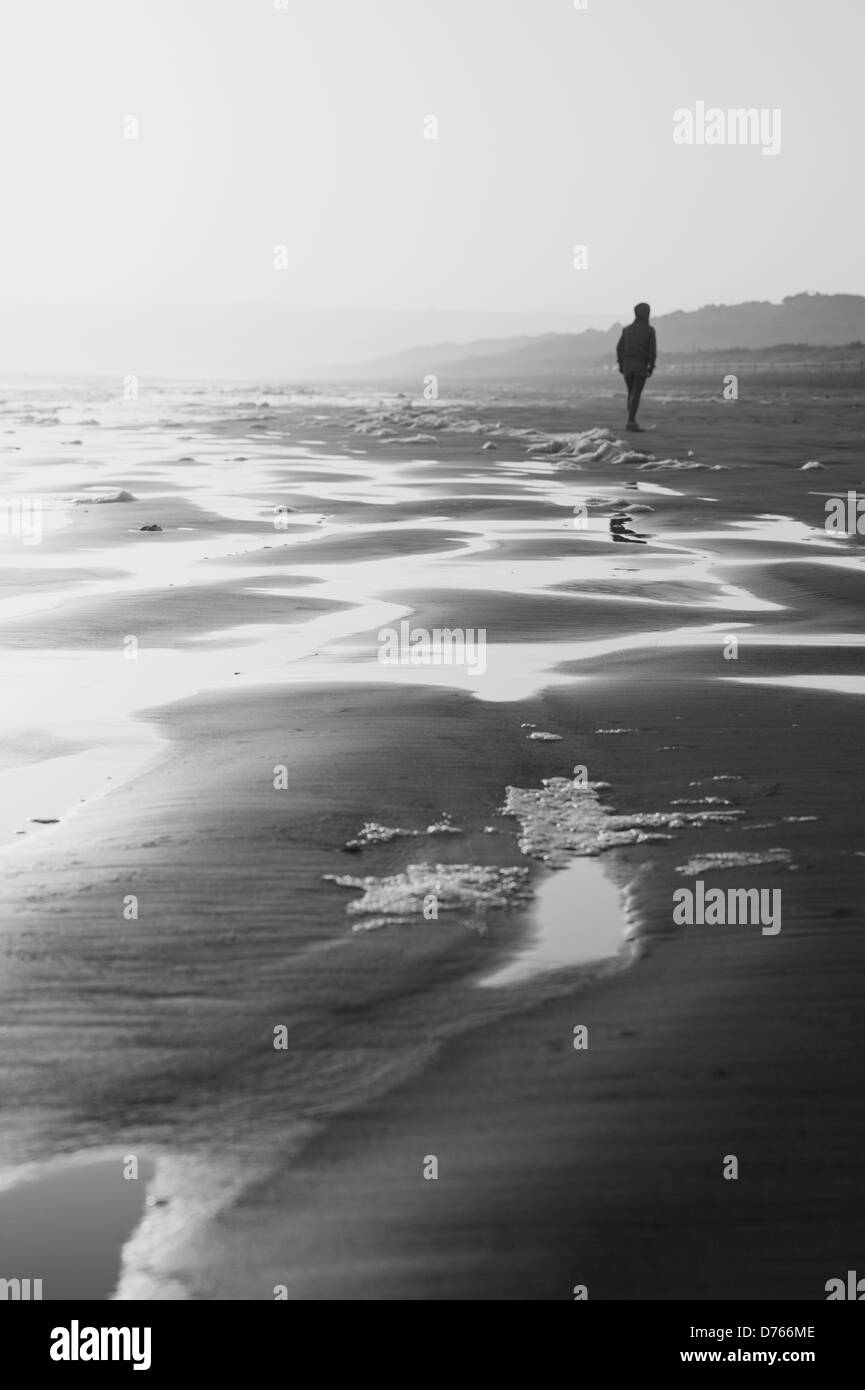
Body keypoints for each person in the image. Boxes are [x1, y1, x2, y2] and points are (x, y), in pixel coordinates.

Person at [616, 303, 656, 431]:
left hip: (627, 366)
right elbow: (652, 351)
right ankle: (631, 421)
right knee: (636, 393)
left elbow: (619, 348)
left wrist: (621, 363)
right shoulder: (649, 330)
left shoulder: (627, 330)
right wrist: (651, 366)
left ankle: (631, 420)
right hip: (640, 366)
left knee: (630, 393)